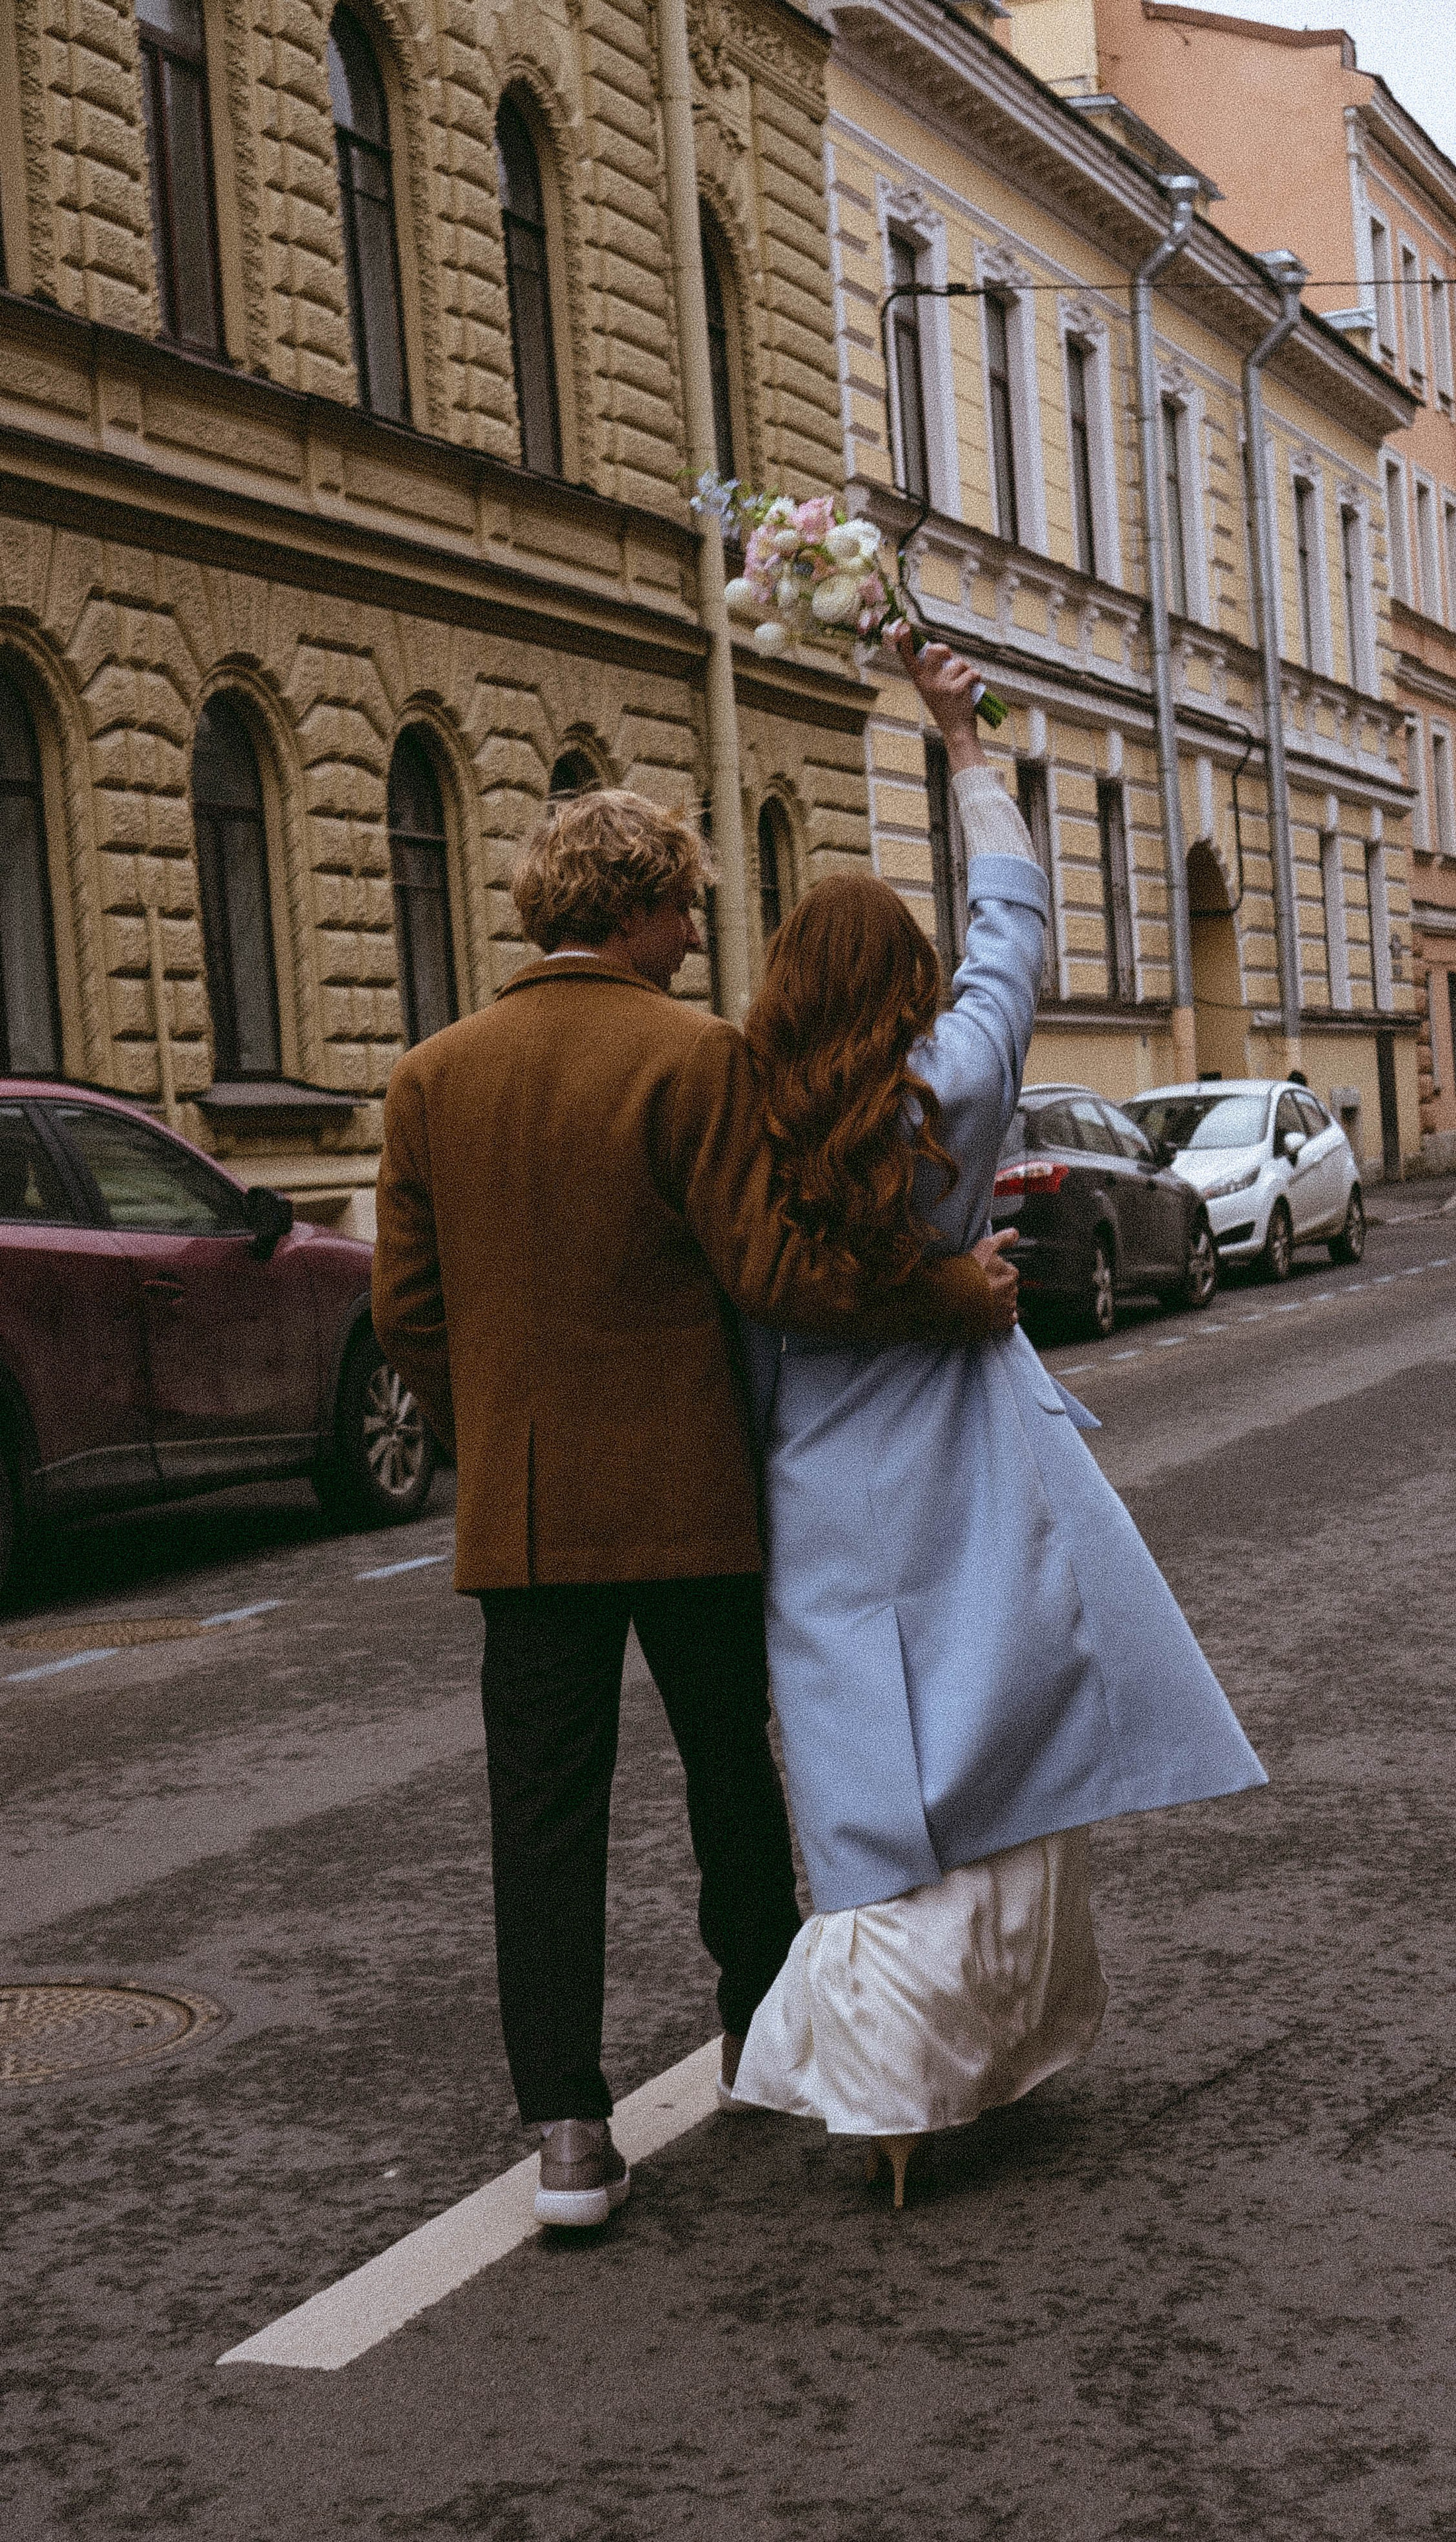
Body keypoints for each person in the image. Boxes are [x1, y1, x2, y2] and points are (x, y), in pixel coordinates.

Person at [372, 784, 1017, 2230]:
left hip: (526, 1522)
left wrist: (507, 1434)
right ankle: (752, 2038)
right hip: (688, 1502)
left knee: (541, 1823)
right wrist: (951, 1296)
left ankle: (567, 2138)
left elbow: (408, 1316)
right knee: (732, 1778)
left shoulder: (431, 1076)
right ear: (638, 907)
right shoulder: (691, 1058)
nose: (696, 928)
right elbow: (778, 1272)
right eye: (685, 904)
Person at [728, 637, 1267, 2203]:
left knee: (865, 1801)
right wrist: (962, 743)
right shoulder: (948, 1092)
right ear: (901, 983)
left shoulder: (742, 1121)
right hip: (964, 1470)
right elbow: (1013, 932)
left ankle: (881, 2101)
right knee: (1004, 1771)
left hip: (813, 1485)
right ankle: (971, 2060)